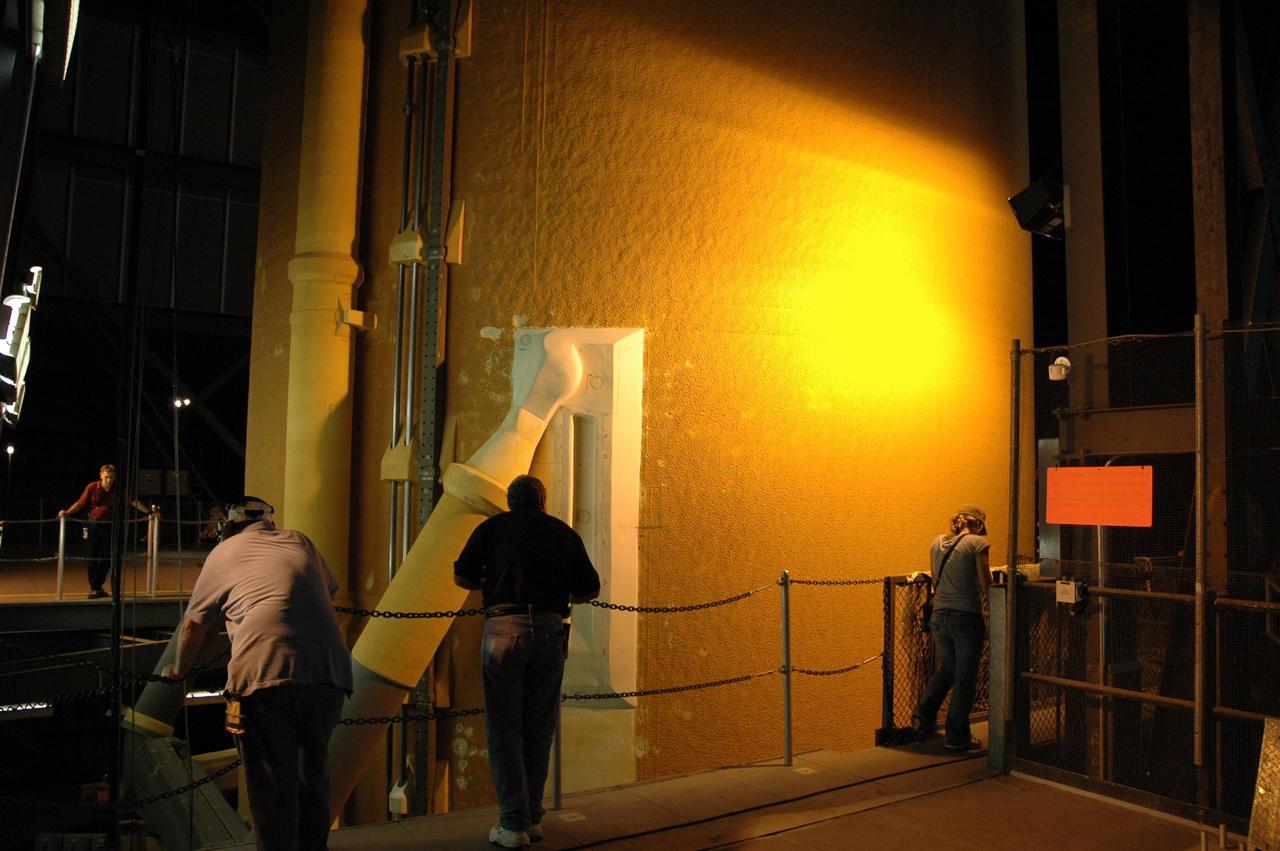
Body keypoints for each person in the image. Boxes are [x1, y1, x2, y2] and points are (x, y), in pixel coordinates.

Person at [161, 497, 352, 851]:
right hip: (327, 672)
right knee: (312, 776)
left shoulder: (223, 552)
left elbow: (192, 627)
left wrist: (178, 671)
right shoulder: (300, 540)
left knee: (270, 785)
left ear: (230, 525)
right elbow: (328, 588)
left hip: (262, 676)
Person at [453, 475, 601, 849]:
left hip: (503, 630)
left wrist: (490, 581)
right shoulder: (562, 533)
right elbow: (590, 588)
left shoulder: (491, 529)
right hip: (550, 632)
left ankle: (512, 823)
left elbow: (462, 576)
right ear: (542, 501)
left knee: (504, 728)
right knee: (539, 726)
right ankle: (533, 817)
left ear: (510, 500)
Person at [912, 504, 992, 752]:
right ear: (977, 525)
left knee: (947, 668)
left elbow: (936, 578)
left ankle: (922, 718)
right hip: (965, 615)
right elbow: (986, 584)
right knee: (965, 676)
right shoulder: (977, 544)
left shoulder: (936, 543)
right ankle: (957, 736)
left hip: (939, 615)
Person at [58, 464, 154, 598]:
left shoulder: (119, 489)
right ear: (101, 475)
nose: (109, 480)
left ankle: (96, 586)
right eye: (107, 477)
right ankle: (95, 587)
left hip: (111, 526)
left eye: (112, 478)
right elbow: (80, 503)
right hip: (94, 525)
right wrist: (67, 512)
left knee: (108, 557)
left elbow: (133, 501)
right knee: (92, 556)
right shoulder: (92, 487)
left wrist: (149, 512)